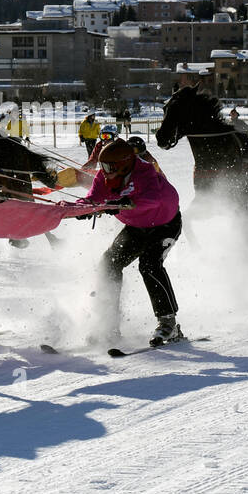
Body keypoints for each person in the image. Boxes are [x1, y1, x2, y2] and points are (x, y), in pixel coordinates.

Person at [74, 138, 184, 346]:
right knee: (109, 262)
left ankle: (168, 324)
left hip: (164, 225)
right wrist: (82, 208)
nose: (104, 171)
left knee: (150, 265)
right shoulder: (104, 177)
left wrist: (124, 203)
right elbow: (92, 198)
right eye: (102, 166)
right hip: (137, 228)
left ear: (123, 163)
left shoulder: (145, 170)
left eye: (109, 166)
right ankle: (109, 324)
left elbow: (153, 199)